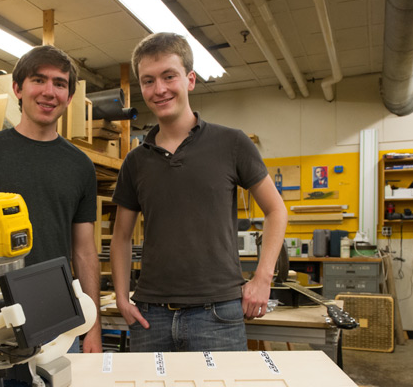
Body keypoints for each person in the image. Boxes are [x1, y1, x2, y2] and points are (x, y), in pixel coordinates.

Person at [110, 32, 287, 353]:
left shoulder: (232, 143)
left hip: (217, 313)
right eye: (148, 81)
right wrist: (122, 298)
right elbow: (121, 236)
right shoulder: (135, 161)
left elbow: (276, 210)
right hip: (150, 316)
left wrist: (263, 278)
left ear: (190, 80)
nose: (159, 89)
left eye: (169, 76)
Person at [0, 45, 102, 353]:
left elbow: (85, 251)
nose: (49, 91)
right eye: (38, 80)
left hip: (59, 318)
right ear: (18, 88)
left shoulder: (81, 165)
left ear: (69, 97)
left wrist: (93, 327)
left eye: (59, 84)